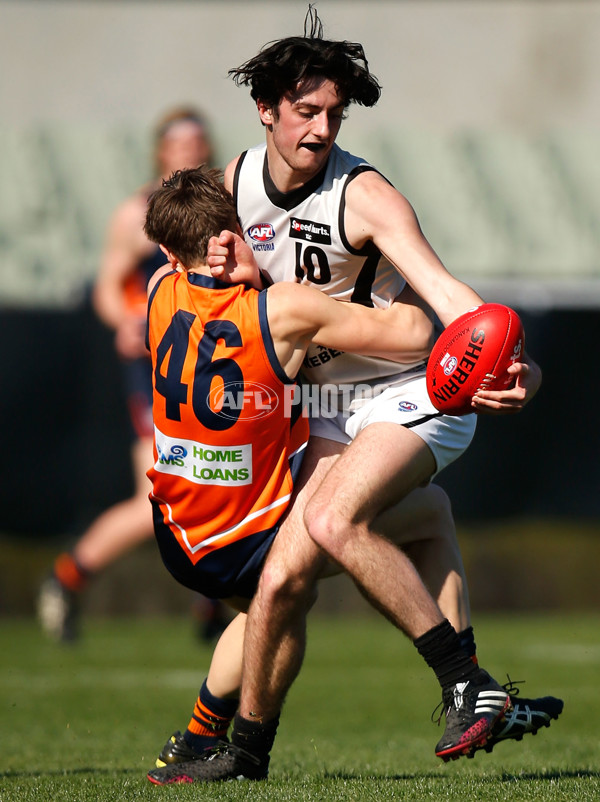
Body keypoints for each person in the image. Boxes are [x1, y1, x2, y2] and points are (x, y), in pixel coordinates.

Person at [146, 8, 561, 785]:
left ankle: (461, 683)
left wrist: (521, 371)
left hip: (412, 393)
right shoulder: (233, 186)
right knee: (283, 578)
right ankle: (231, 747)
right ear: (266, 110)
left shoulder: (364, 196)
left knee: (333, 523)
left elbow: (449, 304)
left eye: (333, 113)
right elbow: (188, 256)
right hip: (330, 412)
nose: (320, 128)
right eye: (305, 111)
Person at [37, 107, 230, 643]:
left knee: (221, 477)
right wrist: (124, 319)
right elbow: (106, 286)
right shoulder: (137, 214)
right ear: (161, 151)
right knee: (161, 495)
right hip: (158, 369)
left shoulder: (227, 204)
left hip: (216, 363)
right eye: (179, 141)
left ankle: (213, 602)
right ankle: (68, 577)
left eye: (198, 140)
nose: (190, 149)